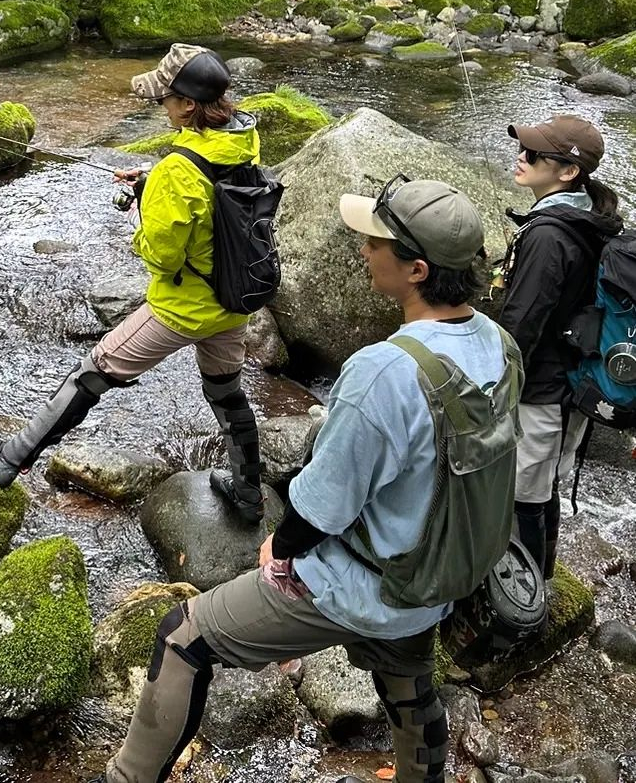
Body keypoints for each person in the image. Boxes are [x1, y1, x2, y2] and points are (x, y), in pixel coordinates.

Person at [92, 177, 520, 783]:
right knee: (409, 686)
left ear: (417, 269)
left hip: (362, 587)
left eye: (374, 242)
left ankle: (127, 777)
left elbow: (322, 509)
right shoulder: (501, 346)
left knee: (183, 637)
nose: (363, 250)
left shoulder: (383, 373)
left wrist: (280, 551)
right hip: (433, 580)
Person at [0, 43, 267, 523]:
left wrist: (145, 212)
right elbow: (209, 195)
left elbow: (164, 258)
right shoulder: (241, 142)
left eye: (164, 97)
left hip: (184, 308)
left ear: (187, 105)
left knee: (91, 372)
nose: (160, 105)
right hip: (234, 299)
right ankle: (249, 493)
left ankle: (8, 459)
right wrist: (154, 181)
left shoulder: (177, 172)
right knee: (226, 389)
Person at [499, 114, 622, 578]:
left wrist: (492, 387)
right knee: (541, 487)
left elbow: (521, 324)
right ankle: (537, 579)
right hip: (572, 383)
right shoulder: (592, 216)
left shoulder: (550, 235)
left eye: (533, 154)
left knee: (525, 496)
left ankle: (528, 595)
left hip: (542, 392)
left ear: (568, 171)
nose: (521, 157)